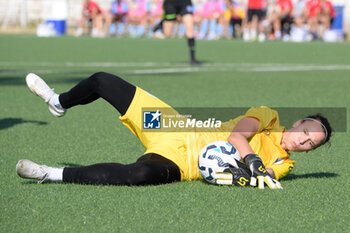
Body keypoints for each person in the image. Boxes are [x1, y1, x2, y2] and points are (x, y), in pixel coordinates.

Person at [16, 72, 332, 189]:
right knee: (102, 82)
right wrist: (251, 161)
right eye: (305, 130)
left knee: (137, 175)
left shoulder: (284, 164)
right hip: (174, 125)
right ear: (298, 121)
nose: (301, 140)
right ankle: (58, 101)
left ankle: (48, 173)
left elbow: (267, 177)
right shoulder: (270, 116)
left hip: (184, 164)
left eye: (309, 144)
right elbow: (238, 136)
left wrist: (251, 174)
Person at [162, 0, 200, 65]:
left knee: (190, 29)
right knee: (167, 34)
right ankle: (161, 24)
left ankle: (193, 58)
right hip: (170, 3)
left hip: (184, 3)